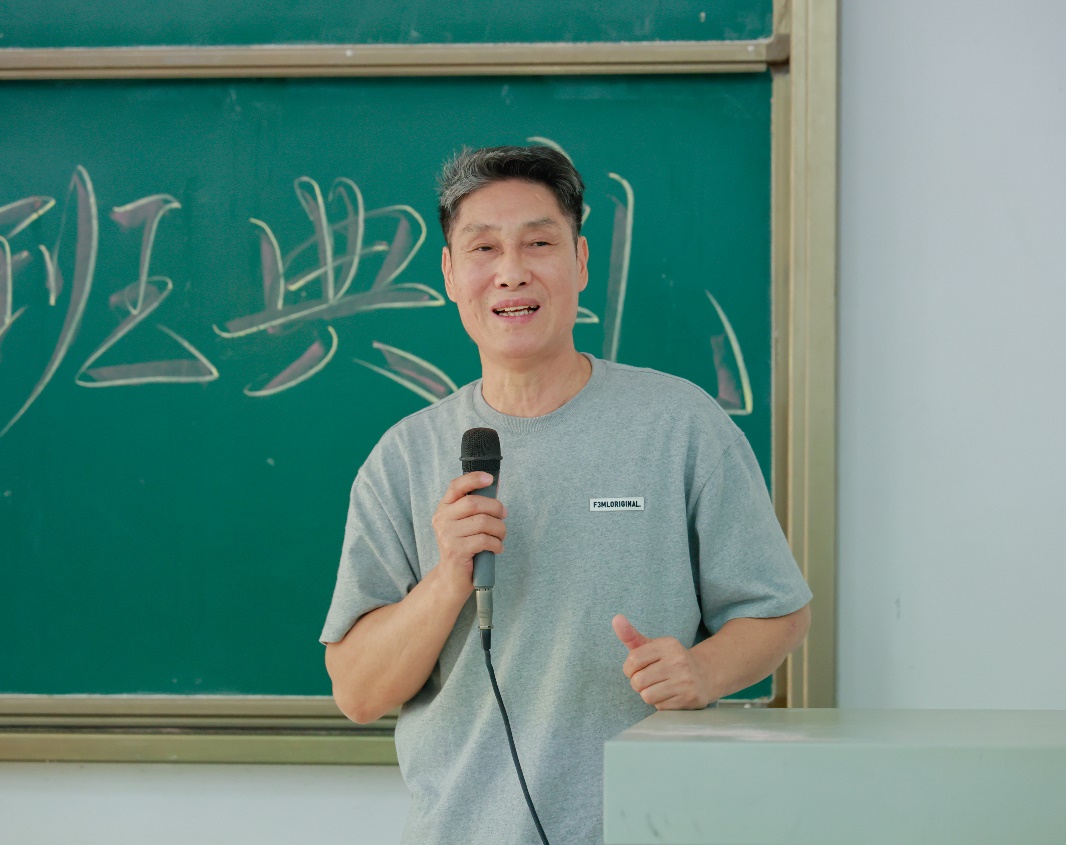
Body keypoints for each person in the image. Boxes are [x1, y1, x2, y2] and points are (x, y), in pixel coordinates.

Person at [321, 145, 812, 844]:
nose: (511, 272)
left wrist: (702, 670)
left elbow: (779, 614)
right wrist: (449, 576)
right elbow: (358, 691)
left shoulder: (680, 424)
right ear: (450, 273)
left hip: (651, 828)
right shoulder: (402, 457)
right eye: (483, 248)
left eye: (538, 243)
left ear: (580, 261)